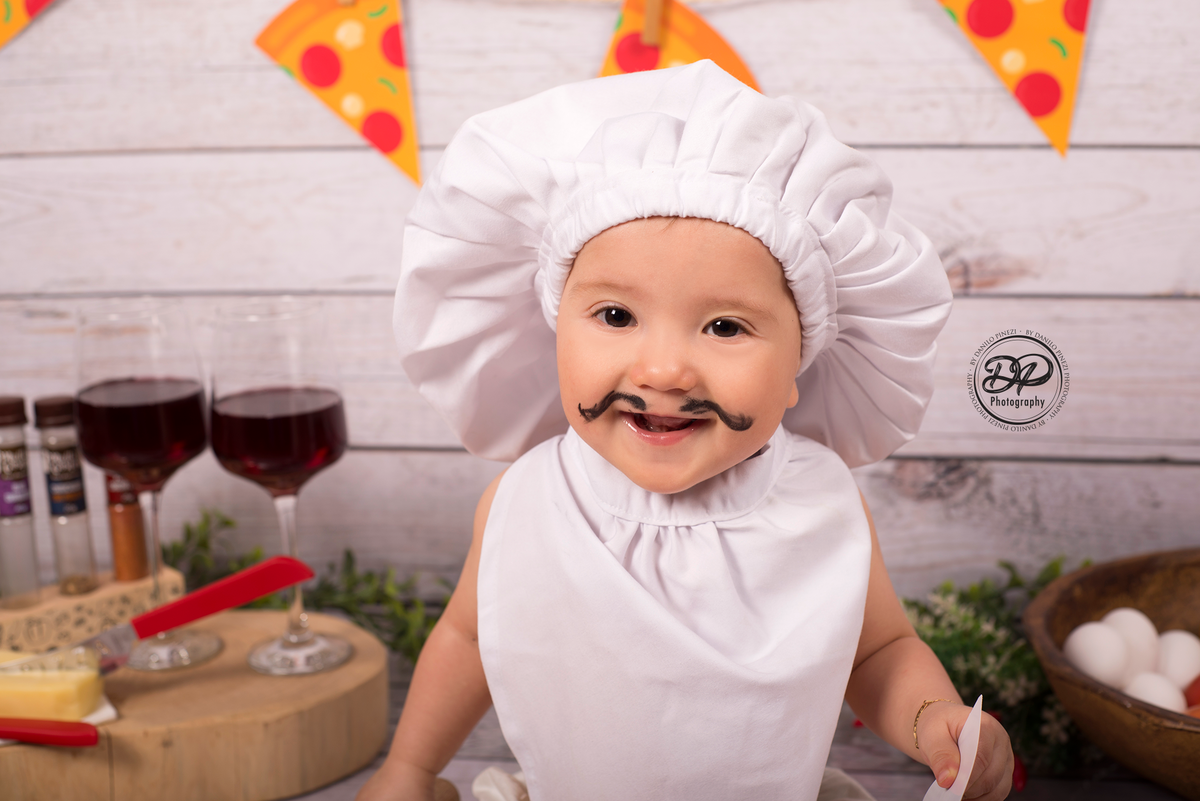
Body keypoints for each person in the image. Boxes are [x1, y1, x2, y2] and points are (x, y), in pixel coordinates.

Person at [359, 61, 1014, 801]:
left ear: (801, 359)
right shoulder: (530, 498)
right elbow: (472, 639)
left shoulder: (817, 502)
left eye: (725, 325)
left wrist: (938, 721)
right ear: (552, 329)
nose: (665, 368)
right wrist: (409, 768)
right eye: (615, 316)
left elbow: (880, 652)